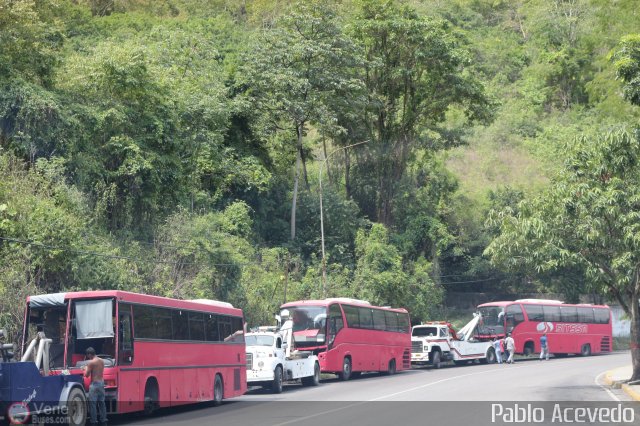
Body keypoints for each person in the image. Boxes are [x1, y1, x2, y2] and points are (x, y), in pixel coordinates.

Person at [84, 347, 107, 426]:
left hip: (94, 384)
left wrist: (85, 368)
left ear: (89, 354)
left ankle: (94, 422)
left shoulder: (91, 363)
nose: (88, 357)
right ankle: (104, 421)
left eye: (88, 355)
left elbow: (86, 375)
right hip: (101, 383)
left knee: (92, 404)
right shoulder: (101, 361)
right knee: (102, 403)